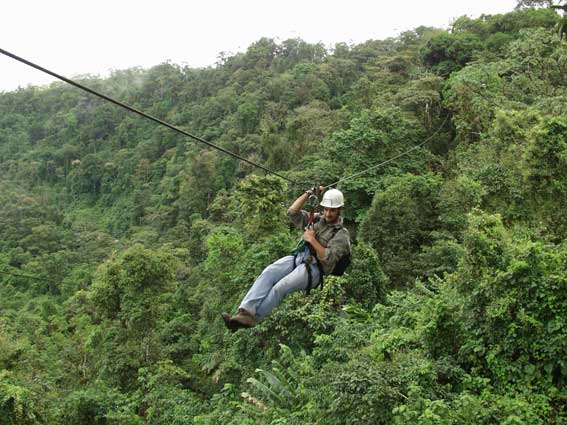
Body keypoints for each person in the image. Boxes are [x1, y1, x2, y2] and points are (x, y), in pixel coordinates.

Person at [222, 187, 351, 331]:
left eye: (332, 210)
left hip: (315, 269)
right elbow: (292, 213)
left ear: (339, 210)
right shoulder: (318, 219)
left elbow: (328, 259)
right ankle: (245, 311)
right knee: (269, 272)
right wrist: (308, 193)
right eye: (326, 209)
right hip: (300, 257)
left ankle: (251, 319)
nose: (328, 213)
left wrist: (312, 239)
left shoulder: (341, 235)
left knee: (280, 287)